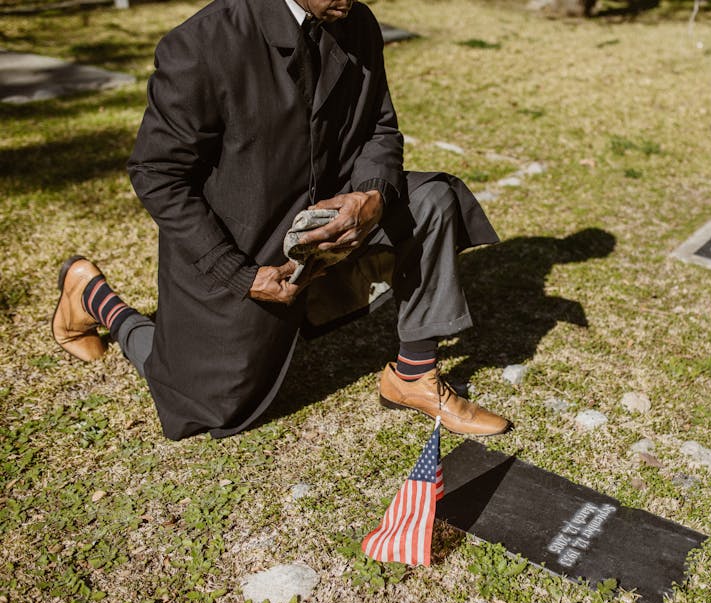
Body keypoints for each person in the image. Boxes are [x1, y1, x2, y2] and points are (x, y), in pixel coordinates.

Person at [51, 0, 509, 441]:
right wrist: (239, 274)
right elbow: (156, 173)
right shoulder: (201, 42)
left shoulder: (358, 22)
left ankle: (413, 375)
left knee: (431, 199)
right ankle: (93, 297)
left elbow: (379, 128)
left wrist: (372, 195)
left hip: (328, 227)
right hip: (240, 248)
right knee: (207, 405)